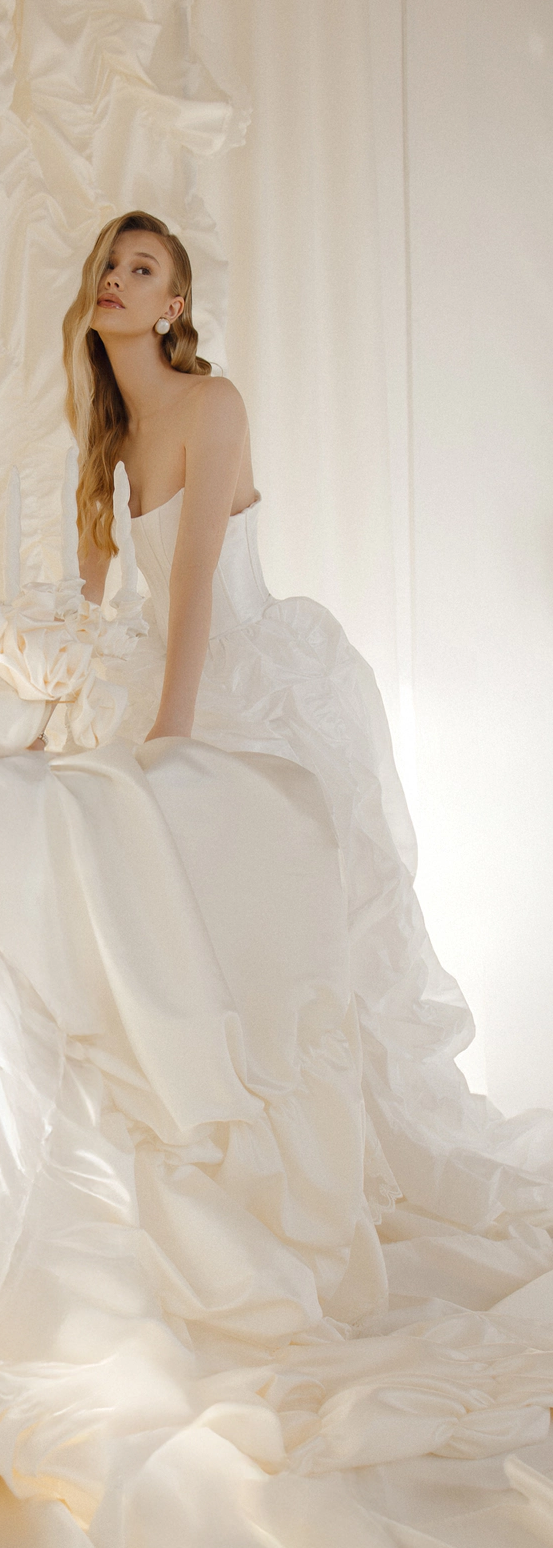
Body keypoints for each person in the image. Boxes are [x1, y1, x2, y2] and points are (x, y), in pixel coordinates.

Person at [61, 209, 553, 1233]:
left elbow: (194, 580)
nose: (116, 278)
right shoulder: (106, 437)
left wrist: (172, 736)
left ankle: (339, 1157)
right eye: (109, 263)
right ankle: (226, 1159)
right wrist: (48, 710)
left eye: (141, 269)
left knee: (290, 921)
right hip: (164, 673)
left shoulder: (213, 403)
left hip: (250, 677)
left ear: (174, 306)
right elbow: (84, 610)